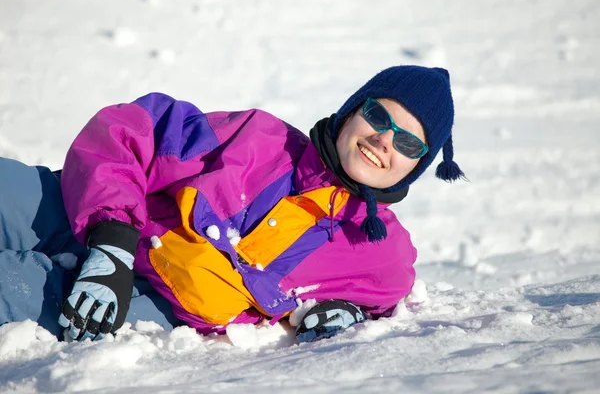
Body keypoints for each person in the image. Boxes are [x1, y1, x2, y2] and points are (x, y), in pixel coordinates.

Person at [0, 65, 463, 343]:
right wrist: (112, 245)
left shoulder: (383, 255)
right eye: (379, 116)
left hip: (152, 303)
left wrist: (352, 314)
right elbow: (135, 129)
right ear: (352, 111)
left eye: (408, 142)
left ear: (417, 167)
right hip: (79, 210)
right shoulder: (261, 138)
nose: (383, 140)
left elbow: (385, 297)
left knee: (10, 290)